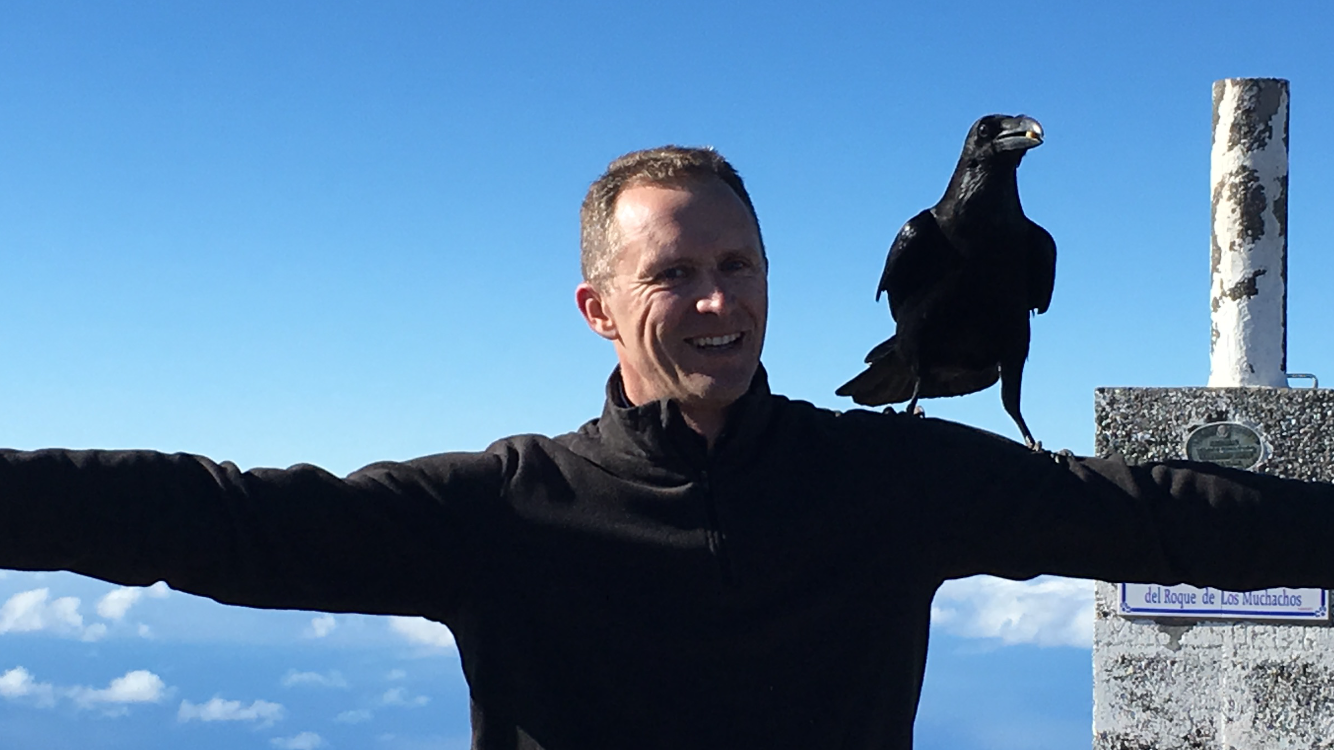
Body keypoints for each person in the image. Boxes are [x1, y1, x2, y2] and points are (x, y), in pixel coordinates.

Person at [3, 145, 1334, 750]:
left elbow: (1155, 513)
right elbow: (213, 516)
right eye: (674, 272)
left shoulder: (890, 480)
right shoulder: (502, 505)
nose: (716, 301)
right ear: (595, 307)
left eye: (737, 264)